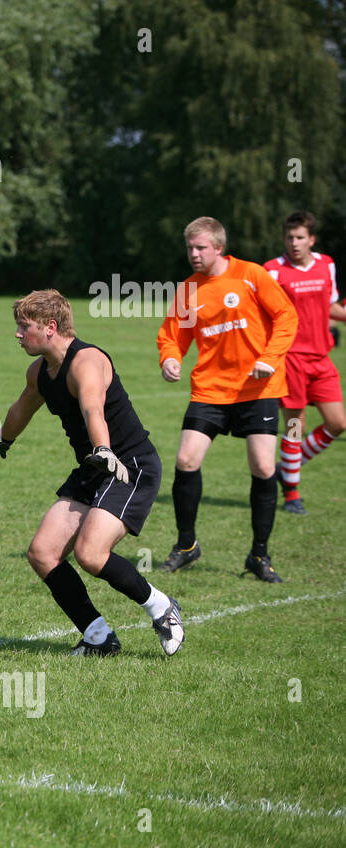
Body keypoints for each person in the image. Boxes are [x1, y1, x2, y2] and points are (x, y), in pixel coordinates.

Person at [0, 290, 185, 657]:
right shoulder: (40, 372)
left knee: (91, 553)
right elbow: (22, 408)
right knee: (42, 553)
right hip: (94, 468)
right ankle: (98, 637)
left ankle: (162, 607)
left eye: (25, 327)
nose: (18, 334)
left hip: (128, 466)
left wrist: (102, 449)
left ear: (51, 328)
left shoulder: (87, 361)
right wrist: (3, 437)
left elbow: (92, 410)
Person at [156, 216, 298, 583]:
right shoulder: (188, 290)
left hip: (258, 389)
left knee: (264, 468)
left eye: (200, 247)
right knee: (186, 459)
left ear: (219, 247)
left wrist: (269, 358)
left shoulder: (251, 275)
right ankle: (186, 545)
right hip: (211, 390)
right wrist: (170, 358)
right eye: (189, 247)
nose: (194, 254)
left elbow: (286, 316)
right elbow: (172, 335)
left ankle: (259, 555)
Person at [261, 211, 346, 514]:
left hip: (321, 358)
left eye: (300, 238)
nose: (294, 243)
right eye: (289, 238)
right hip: (291, 359)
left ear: (311, 239)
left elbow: (332, 306)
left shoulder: (327, 265)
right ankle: (292, 495)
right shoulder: (273, 271)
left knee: (338, 423)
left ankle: (286, 468)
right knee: (295, 427)